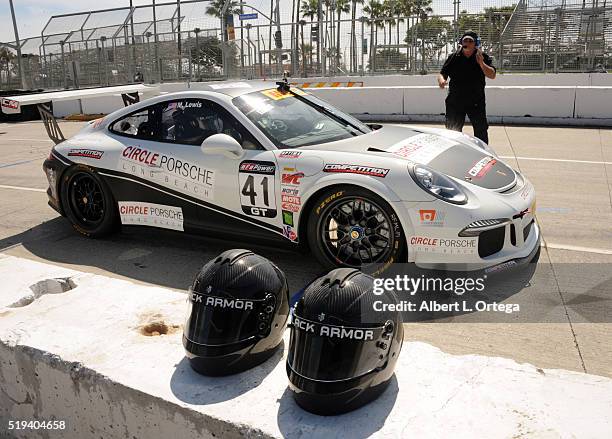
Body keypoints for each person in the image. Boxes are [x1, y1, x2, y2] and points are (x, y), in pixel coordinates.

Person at [438, 30, 496, 144]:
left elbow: (492, 75)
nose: (467, 43)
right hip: (455, 101)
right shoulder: (454, 57)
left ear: (476, 44)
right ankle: (454, 152)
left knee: (481, 130)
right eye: (465, 40)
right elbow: (442, 73)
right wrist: (442, 80)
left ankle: (482, 153)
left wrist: (481, 63)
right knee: (452, 131)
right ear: (461, 42)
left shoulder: (482, 57)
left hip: (476, 101)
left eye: (470, 41)